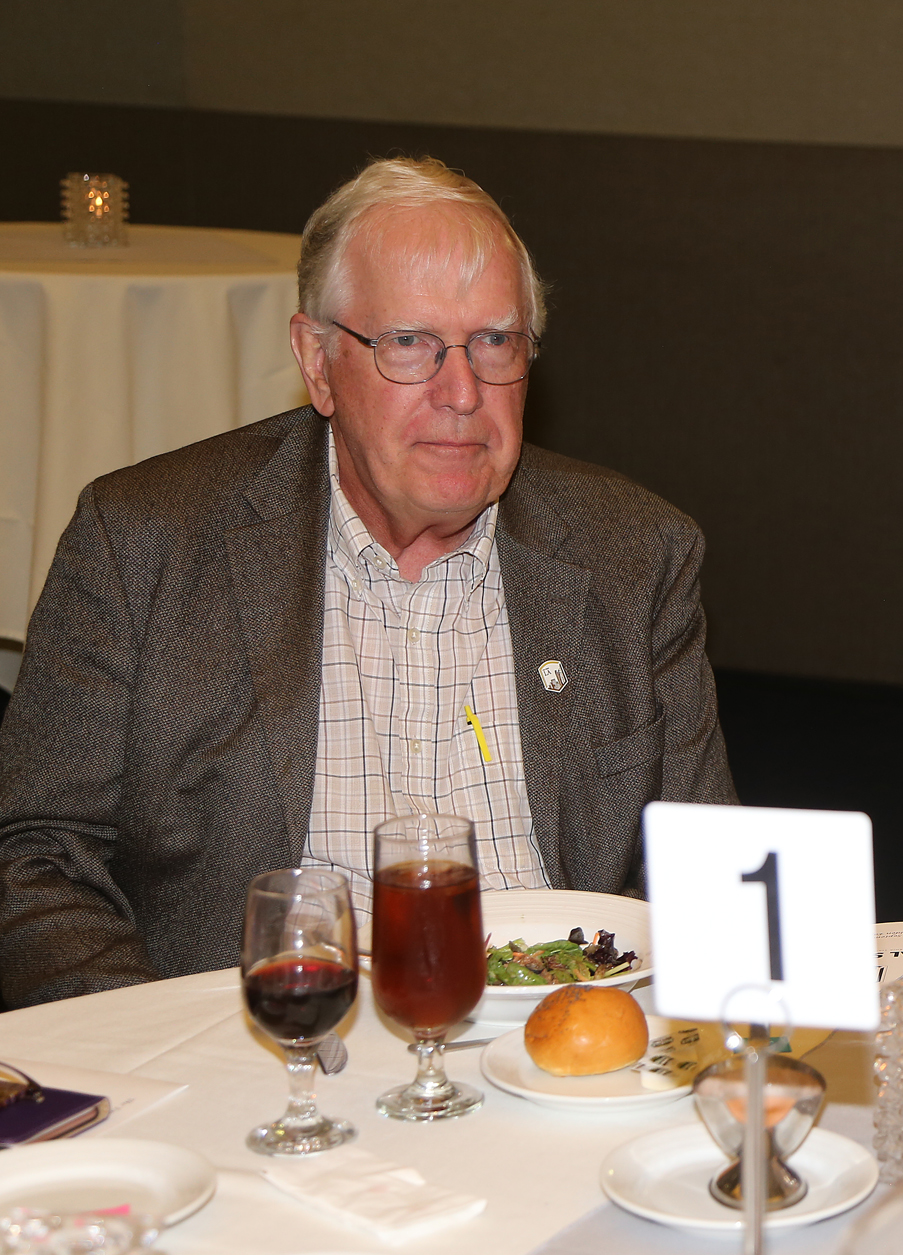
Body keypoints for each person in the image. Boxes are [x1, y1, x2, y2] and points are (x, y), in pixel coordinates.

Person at [0, 157, 736, 1008]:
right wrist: (165, 1053)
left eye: (495, 341)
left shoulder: (633, 555)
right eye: (410, 345)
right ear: (317, 361)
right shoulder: (145, 542)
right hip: (262, 1046)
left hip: (558, 1050)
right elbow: (34, 853)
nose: (462, 392)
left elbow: (702, 871)